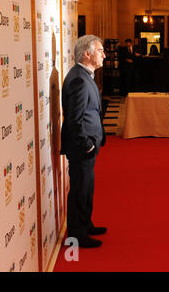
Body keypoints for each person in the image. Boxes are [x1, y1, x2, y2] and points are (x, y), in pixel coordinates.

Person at [61, 35, 107, 248]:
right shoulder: (79, 78)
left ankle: (85, 224)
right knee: (80, 189)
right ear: (87, 54)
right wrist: (87, 144)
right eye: (100, 50)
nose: (104, 55)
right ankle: (77, 235)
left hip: (87, 146)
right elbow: (74, 120)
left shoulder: (85, 75)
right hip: (82, 147)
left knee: (87, 188)